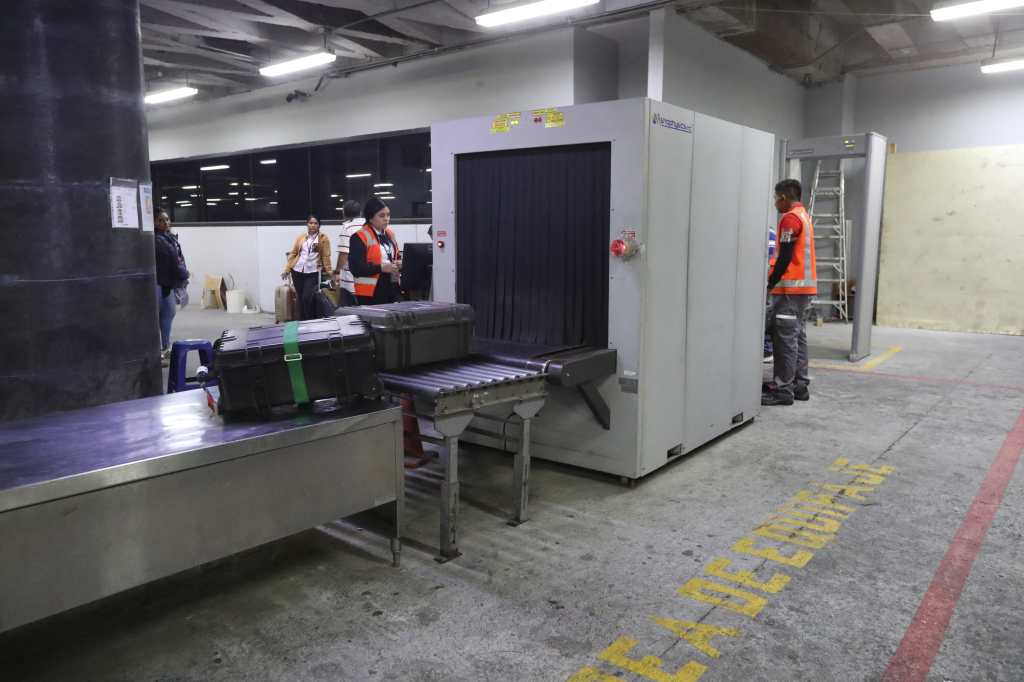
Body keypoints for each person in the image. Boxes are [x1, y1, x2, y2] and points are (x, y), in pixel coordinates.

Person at [763, 179, 816, 406]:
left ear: (783, 198)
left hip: (790, 290)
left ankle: (782, 388)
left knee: (784, 338)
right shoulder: (804, 215)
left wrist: (770, 282)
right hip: (803, 289)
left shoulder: (790, 219)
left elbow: (784, 256)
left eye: (776, 199)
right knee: (798, 336)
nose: (775, 203)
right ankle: (799, 384)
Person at [349, 197, 402, 305]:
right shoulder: (359, 236)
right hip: (370, 293)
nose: (386, 219)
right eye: (381, 215)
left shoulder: (390, 234)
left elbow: (397, 256)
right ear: (370, 218)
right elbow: (356, 268)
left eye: (388, 215)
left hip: (392, 286)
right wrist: (381, 268)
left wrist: (400, 263)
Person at [153, 209, 189, 365]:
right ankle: (160, 350)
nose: (165, 222)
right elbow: (173, 260)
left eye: (167, 219)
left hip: (167, 283)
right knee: (160, 316)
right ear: (154, 222)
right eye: (161, 220)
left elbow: (177, 258)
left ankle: (165, 348)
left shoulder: (169, 238)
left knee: (168, 315)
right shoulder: (158, 240)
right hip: (159, 283)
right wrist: (184, 274)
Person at [283, 215, 332, 320]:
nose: (313, 225)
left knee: (307, 297)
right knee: (300, 298)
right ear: (307, 224)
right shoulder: (301, 237)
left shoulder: (323, 238)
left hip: (312, 272)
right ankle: (301, 321)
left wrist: (330, 272)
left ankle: (309, 321)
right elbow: (294, 253)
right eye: (310, 223)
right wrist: (287, 270)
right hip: (297, 270)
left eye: (315, 223)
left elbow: (326, 256)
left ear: (319, 225)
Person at [333, 199, 363, 307]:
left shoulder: (347, 228)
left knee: (347, 314)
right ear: (360, 212)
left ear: (344, 213)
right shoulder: (368, 225)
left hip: (350, 281)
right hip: (367, 279)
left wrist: (336, 272)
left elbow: (344, 254)